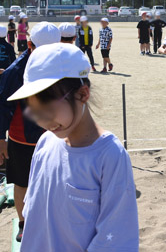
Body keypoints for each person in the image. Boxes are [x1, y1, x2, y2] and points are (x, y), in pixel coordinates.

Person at [7, 43, 139, 251]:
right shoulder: (45, 143)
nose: (42, 120)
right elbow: (34, 215)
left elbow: (115, 237)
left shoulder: (109, 155)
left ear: (83, 94)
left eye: (48, 108)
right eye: (34, 110)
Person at [0, 22, 61, 242]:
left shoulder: (62, 63)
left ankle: (51, 221)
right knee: (22, 183)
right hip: (23, 138)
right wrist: (0, 139)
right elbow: (2, 105)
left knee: (55, 182)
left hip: (56, 136)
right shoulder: (16, 70)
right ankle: (24, 224)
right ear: (30, 44)